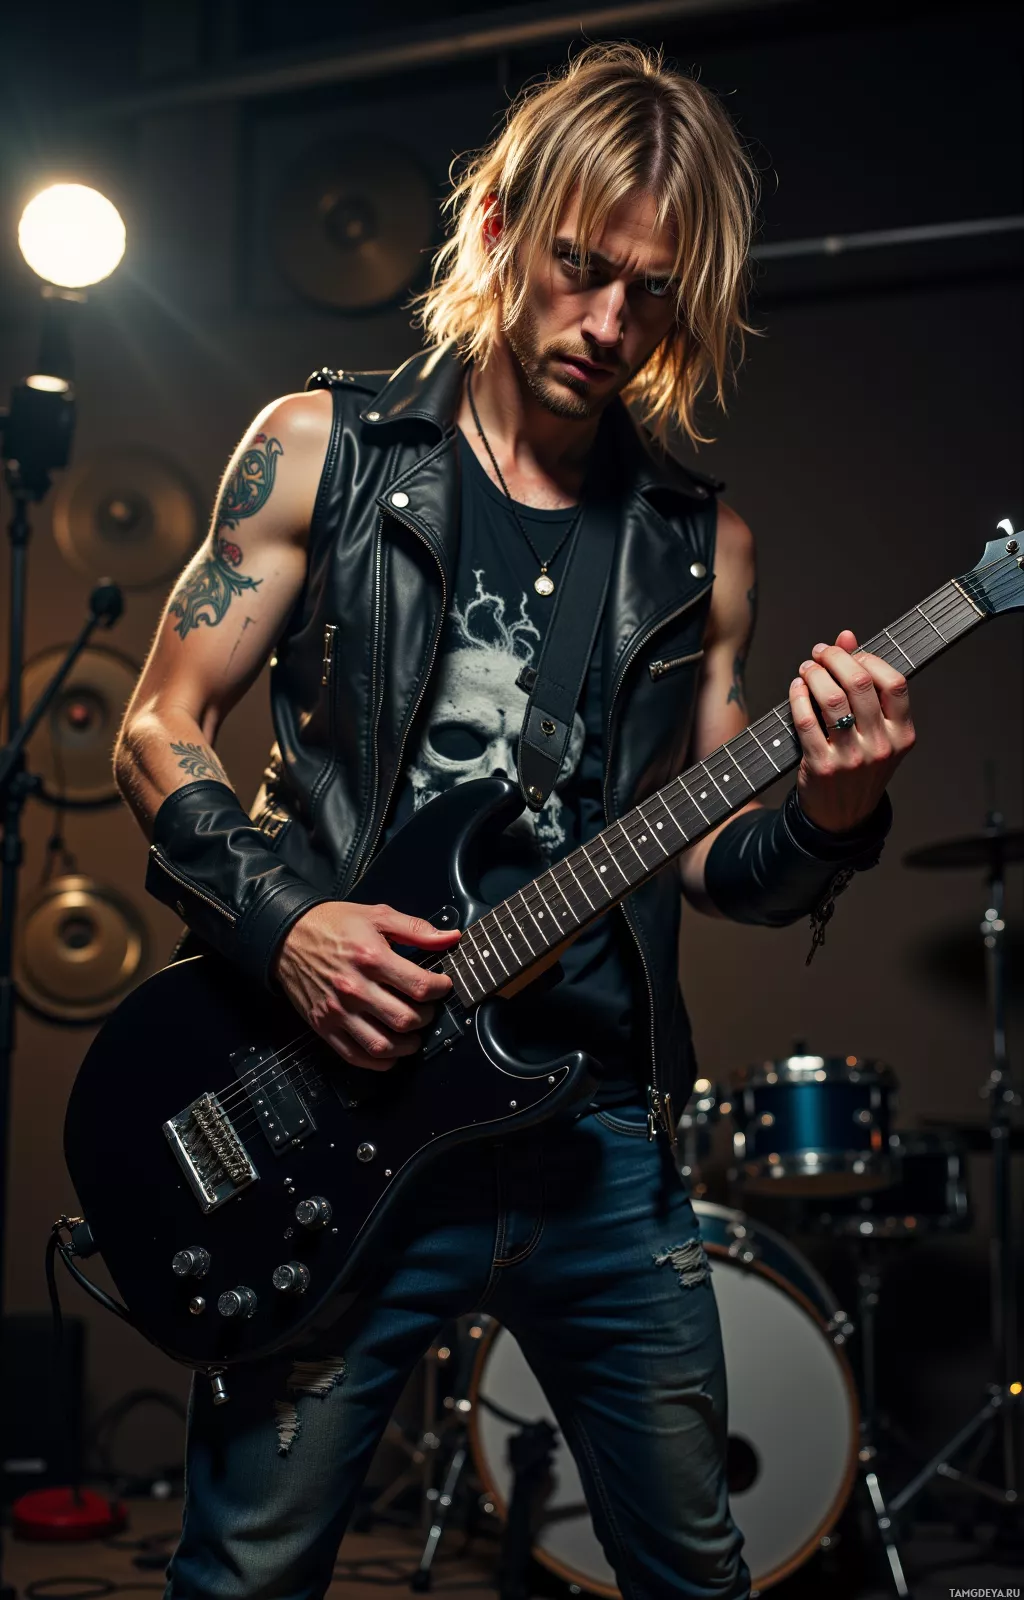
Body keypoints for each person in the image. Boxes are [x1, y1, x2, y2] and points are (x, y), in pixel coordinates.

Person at [114, 41, 915, 1600]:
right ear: (498, 225)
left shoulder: (702, 548)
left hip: (595, 1137)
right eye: (581, 268)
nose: (611, 325)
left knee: (696, 1571)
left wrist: (837, 806)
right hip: (341, 1110)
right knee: (249, 1572)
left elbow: (710, 854)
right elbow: (157, 729)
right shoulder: (323, 455)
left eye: (655, 295)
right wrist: (290, 927)